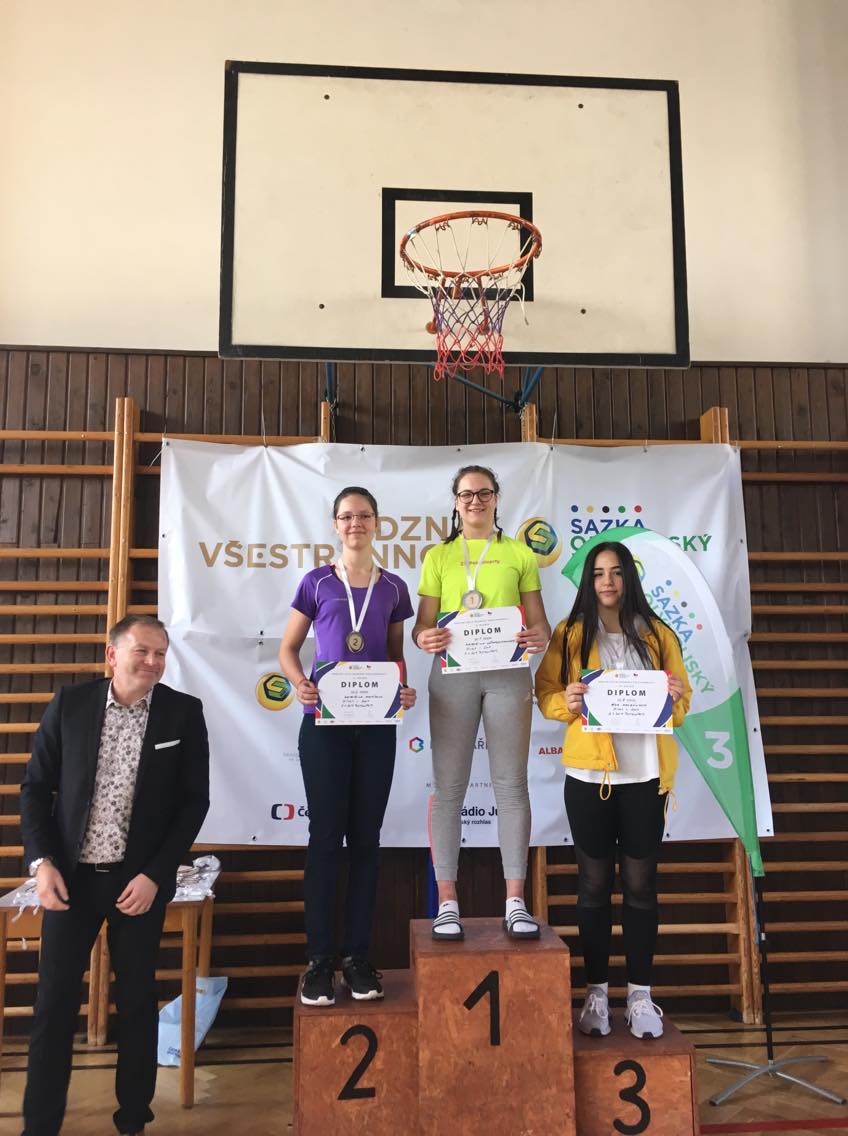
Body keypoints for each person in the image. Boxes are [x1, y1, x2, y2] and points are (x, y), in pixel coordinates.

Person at [20, 614, 210, 1136]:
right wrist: (42, 863)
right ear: (112, 655)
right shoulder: (70, 704)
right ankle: (40, 1125)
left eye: (160, 653)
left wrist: (156, 875)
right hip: (70, 882)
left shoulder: (182, 713)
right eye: (141, 651)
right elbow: (35, 789)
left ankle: (133, 1121)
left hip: (138, 885)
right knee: (53, 1005)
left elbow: (194, 802)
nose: (152, 661)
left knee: (138, 1004)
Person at [535, 541, 691, 1039]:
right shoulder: (571, 633)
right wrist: (567, 701)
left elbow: (682, 701)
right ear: (589, 580)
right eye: (600, 572)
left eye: (617, 571)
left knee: (641, 887)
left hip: (646, 777)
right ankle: (597, 993)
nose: (608, 581)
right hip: (589, 778)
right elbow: (545, 694)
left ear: (629, 578)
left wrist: (674, 697)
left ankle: (640, 996)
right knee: (593, 885)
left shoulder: (658, 633)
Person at [279, 486, 416, 1007]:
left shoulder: (394, 587)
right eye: (346, 516)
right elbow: (289, 648)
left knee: (365, 841)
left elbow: (395, 657)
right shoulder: (316, 582)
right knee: (324, 838)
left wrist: (402, 690)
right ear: (335, 525)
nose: (355, 523)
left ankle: (357, 958)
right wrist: (299, 682)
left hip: (376, 727)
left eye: (363, 515)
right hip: (324, 725)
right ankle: (319, 960)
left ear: (377, 523)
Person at [412, 464, 550, 942]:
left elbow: (541, 624)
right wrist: (424, 637)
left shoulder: (519, 553)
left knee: (511, 786)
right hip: (453, 676)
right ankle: (447, 903)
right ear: (455, 502)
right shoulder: (438, 556)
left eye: (484, 493)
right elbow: (422, 625)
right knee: (449, 789)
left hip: (508, 676)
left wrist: (537, 635)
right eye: (467, 494)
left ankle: (515, 901)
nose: (475, 501)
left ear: (496, 498)